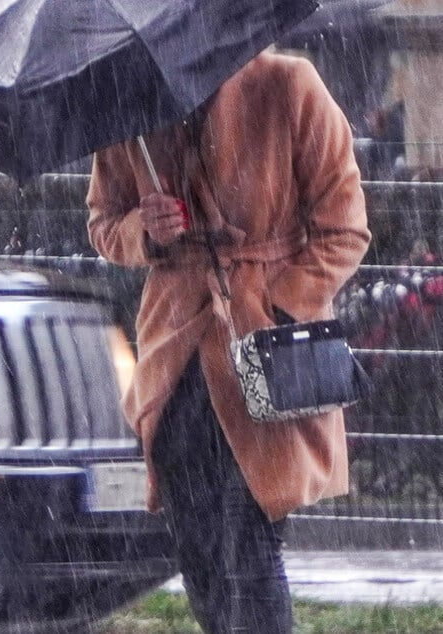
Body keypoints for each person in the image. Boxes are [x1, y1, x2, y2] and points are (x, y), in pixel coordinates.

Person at [86, 51, 371, 633]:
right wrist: (146, 230)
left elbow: (344, 228)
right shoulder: (128, 105)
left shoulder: (288, 85)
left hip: (262, 351)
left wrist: (277, 307)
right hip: (175, 358)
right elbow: (104, 224)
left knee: (249, 544)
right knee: (199, 551)